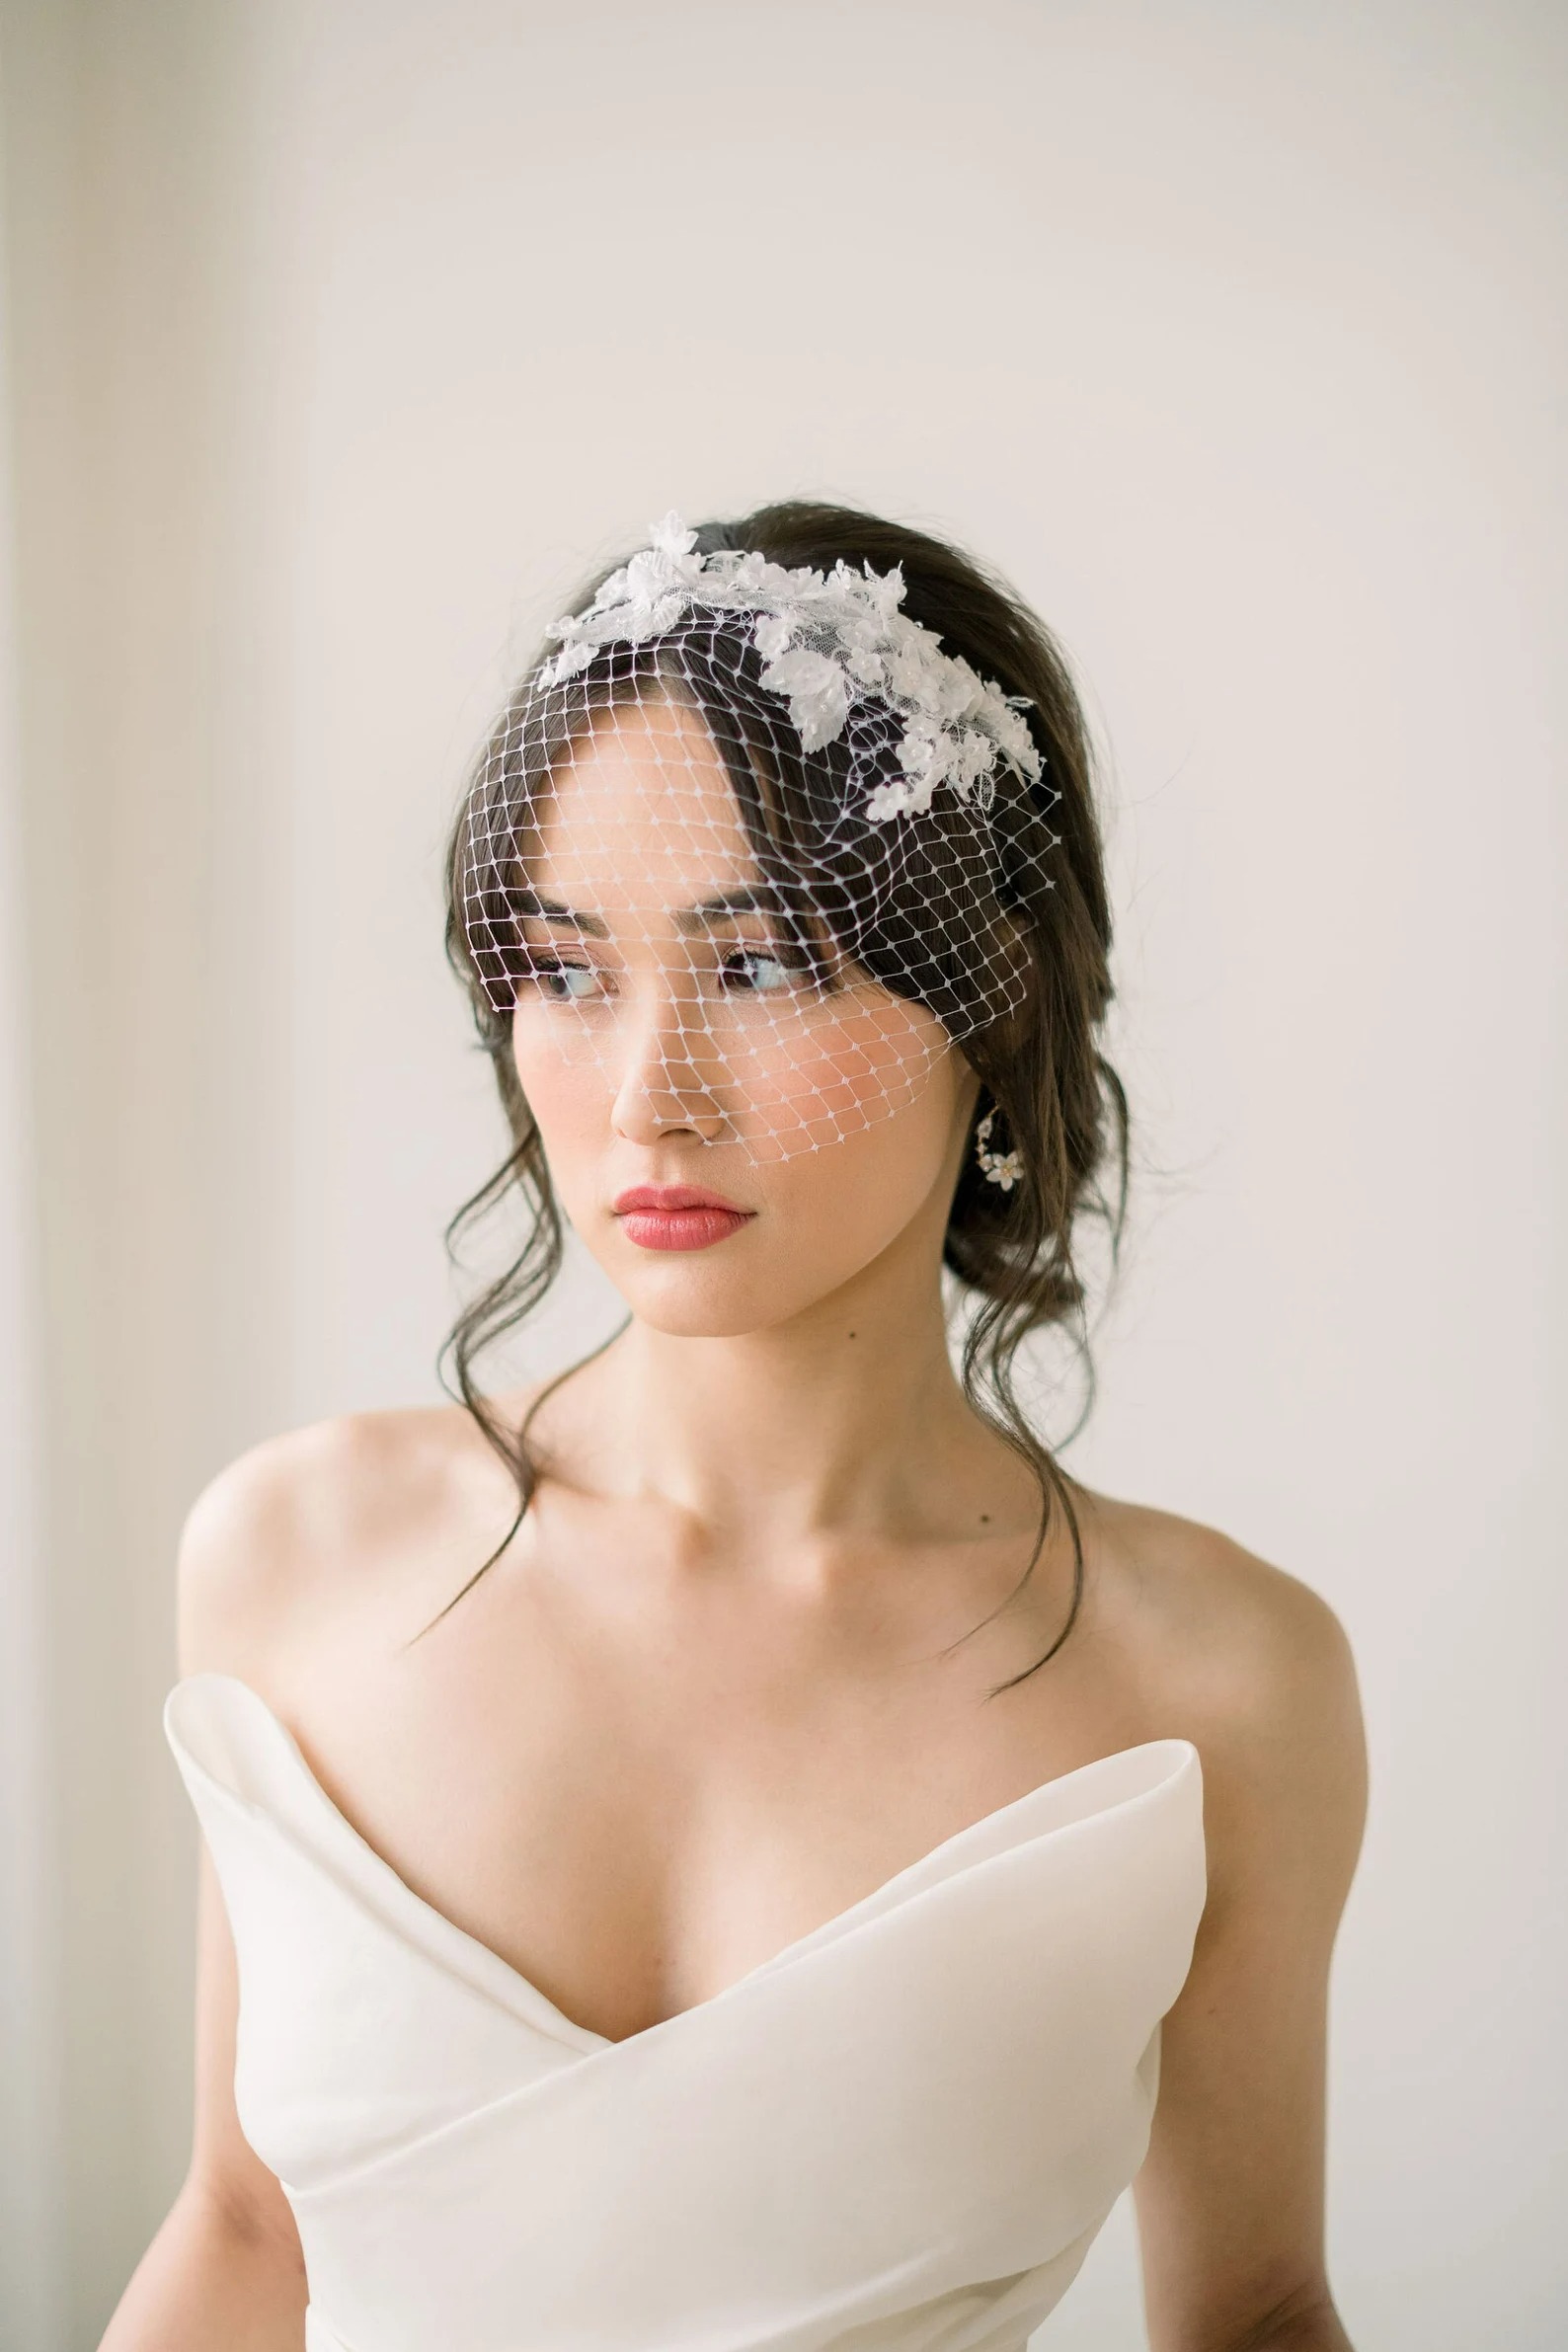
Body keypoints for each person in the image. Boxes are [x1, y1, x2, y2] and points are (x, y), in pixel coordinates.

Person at [104, 504, 1367, 2352]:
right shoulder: (296, 1556)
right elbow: (238, 2234)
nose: (642, 1098)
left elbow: (1252, 2311)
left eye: (759, 964)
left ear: (986, 990)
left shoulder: (1222, 1684)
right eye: (562, 966)